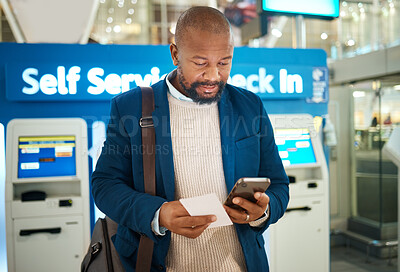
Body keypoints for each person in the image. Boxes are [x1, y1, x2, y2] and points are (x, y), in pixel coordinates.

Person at [92, 6, 289, 272]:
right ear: (175, 54)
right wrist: (158, 213)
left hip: (239, 265)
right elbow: (105, 185)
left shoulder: (249, 106)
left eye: (224, 62)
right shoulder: (132, 107)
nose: (213, 76)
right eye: (200, 63)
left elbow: (278, 185)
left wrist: (261, 213)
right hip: (160, 264)